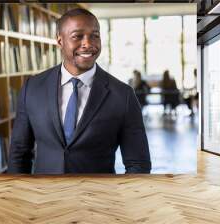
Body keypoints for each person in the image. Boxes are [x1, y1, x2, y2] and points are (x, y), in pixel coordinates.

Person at [8, 8, 151, 174]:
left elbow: (138, 164)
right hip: (44, 197)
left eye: (95, 35)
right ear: (60, 41)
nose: (88, 44)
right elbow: (19, 154)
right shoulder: (32, 88)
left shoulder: (123, 95)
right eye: (77, 36)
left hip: (97, 197)